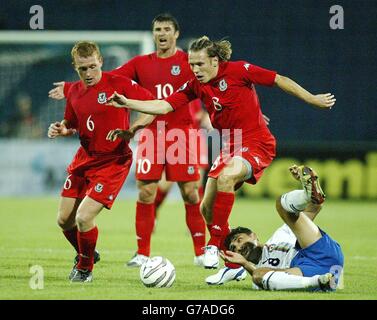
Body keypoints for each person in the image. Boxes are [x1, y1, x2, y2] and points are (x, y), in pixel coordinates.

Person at [105, 35, 336, 283]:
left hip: (255, 142)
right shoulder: (195, 84)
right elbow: (164, 105)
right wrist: (128, 102)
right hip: (229, 145)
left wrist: (312, 98)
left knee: (226, 178)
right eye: (191, 65)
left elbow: (279, 79)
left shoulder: (239, 70)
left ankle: (213, 244)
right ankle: (232, 265)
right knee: (206, 208)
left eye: (199, 64)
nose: (194, 70)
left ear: (214, 60)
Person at [49, 14, 207, 268]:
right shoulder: (141, 63)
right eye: (157, 29)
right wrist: (70, 87)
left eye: (167, 29)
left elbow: (209, 82)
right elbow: (103, 80)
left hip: (181, 134)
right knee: (146, 192)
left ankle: (201, 253)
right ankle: (142, 253)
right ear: (153, 33)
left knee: (190, 192)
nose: (162, 33)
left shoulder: (188, 62)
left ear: (176, 33)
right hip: (150, 133)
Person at [47, 41, 154, 282]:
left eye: (92, 67)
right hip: (84, 159)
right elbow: (72, 122)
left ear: (101, 62)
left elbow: (151, 105)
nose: (88, 74)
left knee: (84, 218)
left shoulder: (118, 84)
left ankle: (85, 269)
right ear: (75, 67)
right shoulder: (74, 90)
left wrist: (134, 128)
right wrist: (62, 129)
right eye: (82, 69)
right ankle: (88, 253)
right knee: (64, 220)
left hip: (113, 161)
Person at [218, 164, 344, 291]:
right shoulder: (261, 276)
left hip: (320, 252)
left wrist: (304, 184)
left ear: (254, 235)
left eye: (239, 240)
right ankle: (319, 281)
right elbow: (260, 279)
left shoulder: (279, 236)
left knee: (282, 205)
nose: (239, 247)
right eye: (234, 248)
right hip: (312, 273)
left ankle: (306, 194)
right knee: (258, 276)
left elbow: (314, 208)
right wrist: (245, 264)